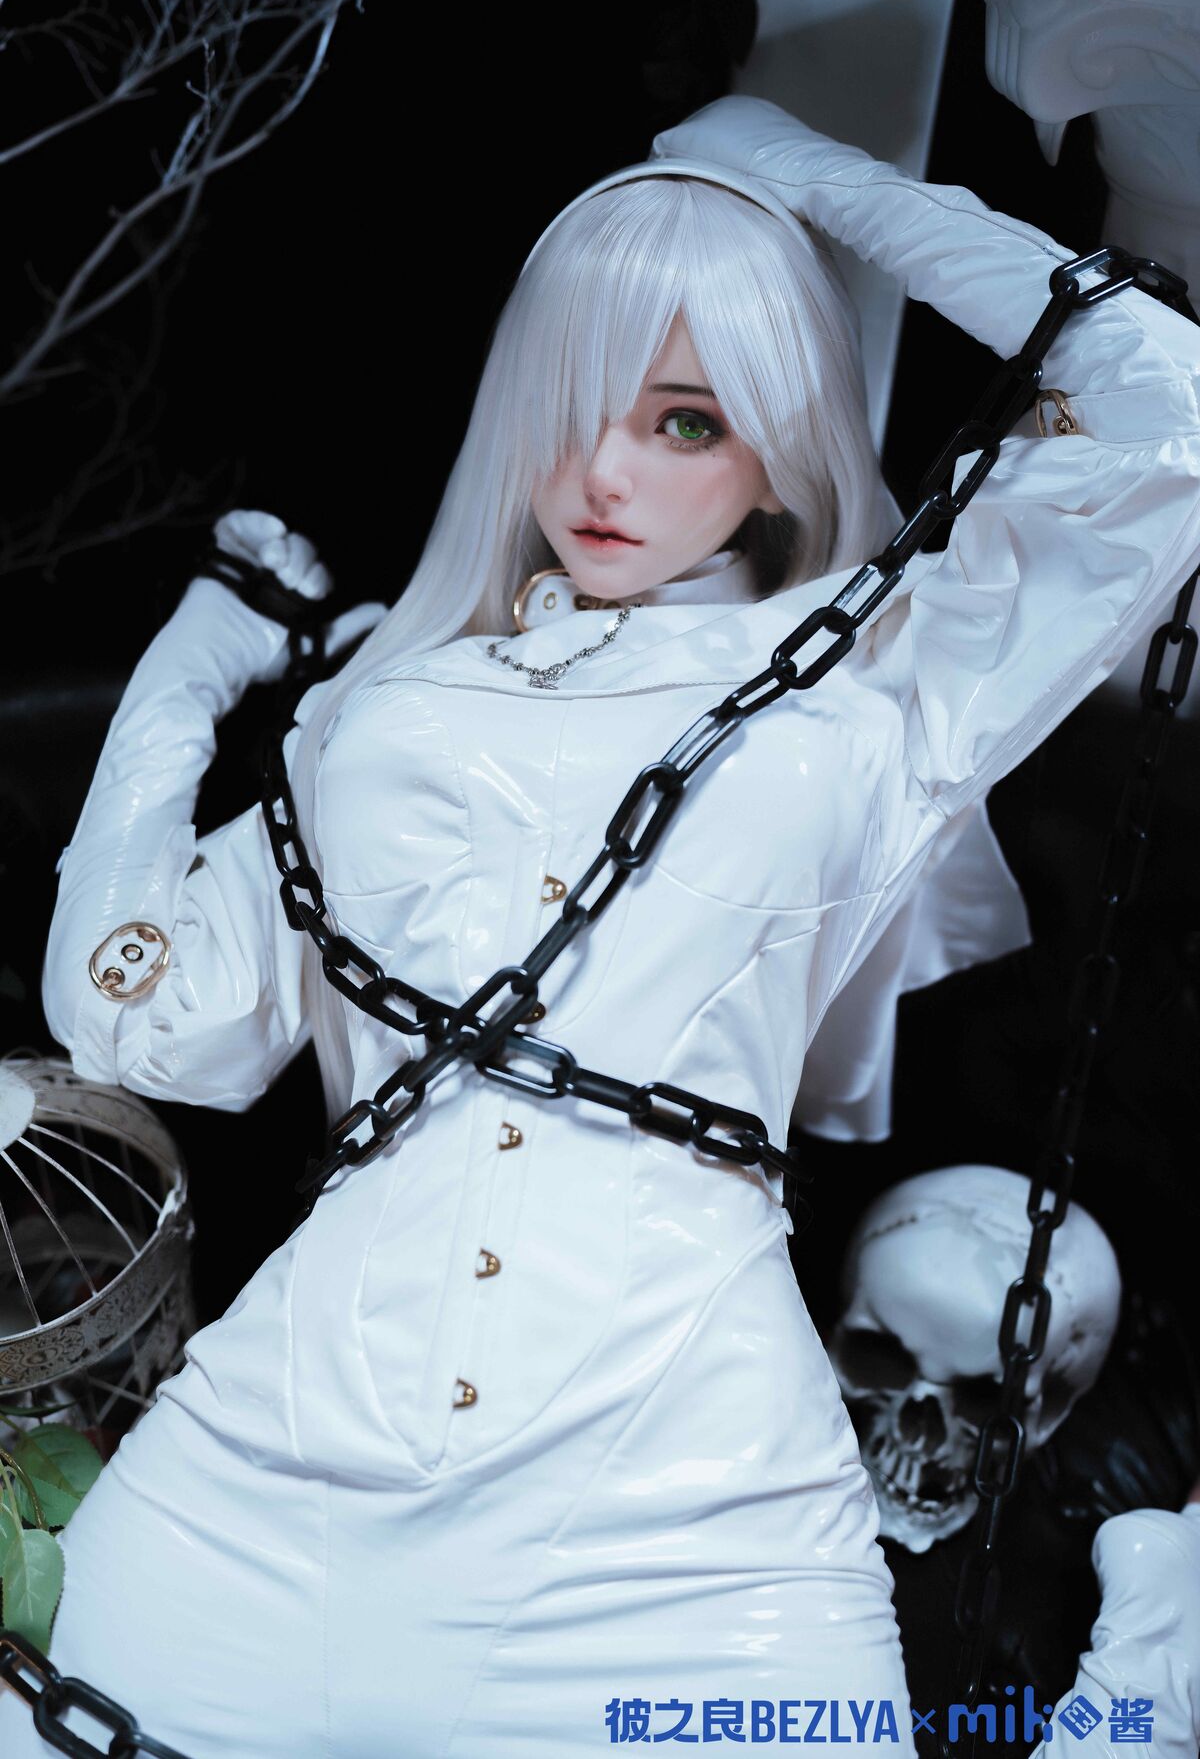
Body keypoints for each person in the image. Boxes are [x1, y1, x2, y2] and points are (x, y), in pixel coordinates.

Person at [5, 93, 1199, 1756]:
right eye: (567, 409)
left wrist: (792, 172)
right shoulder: (379, 712)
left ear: (780, 440)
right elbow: (137, 1017)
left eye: (687, 420)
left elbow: (1164, 402)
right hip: (269, 1490)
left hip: (685, 1522)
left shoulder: (878, 684)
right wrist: (194, 672)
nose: (603, 473)